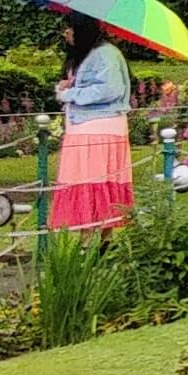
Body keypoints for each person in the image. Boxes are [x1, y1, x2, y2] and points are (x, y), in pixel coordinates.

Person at [50, 23, 137, 233]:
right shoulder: (87, 54)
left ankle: (94, 240)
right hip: (84, 126)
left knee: (92, 184)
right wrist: (67, 86)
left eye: (70, 28)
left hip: (97, 128)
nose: (65, 33)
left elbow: (109, 89)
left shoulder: (105, 54)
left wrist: (69, 94)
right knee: (88, 184)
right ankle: (94, 240)